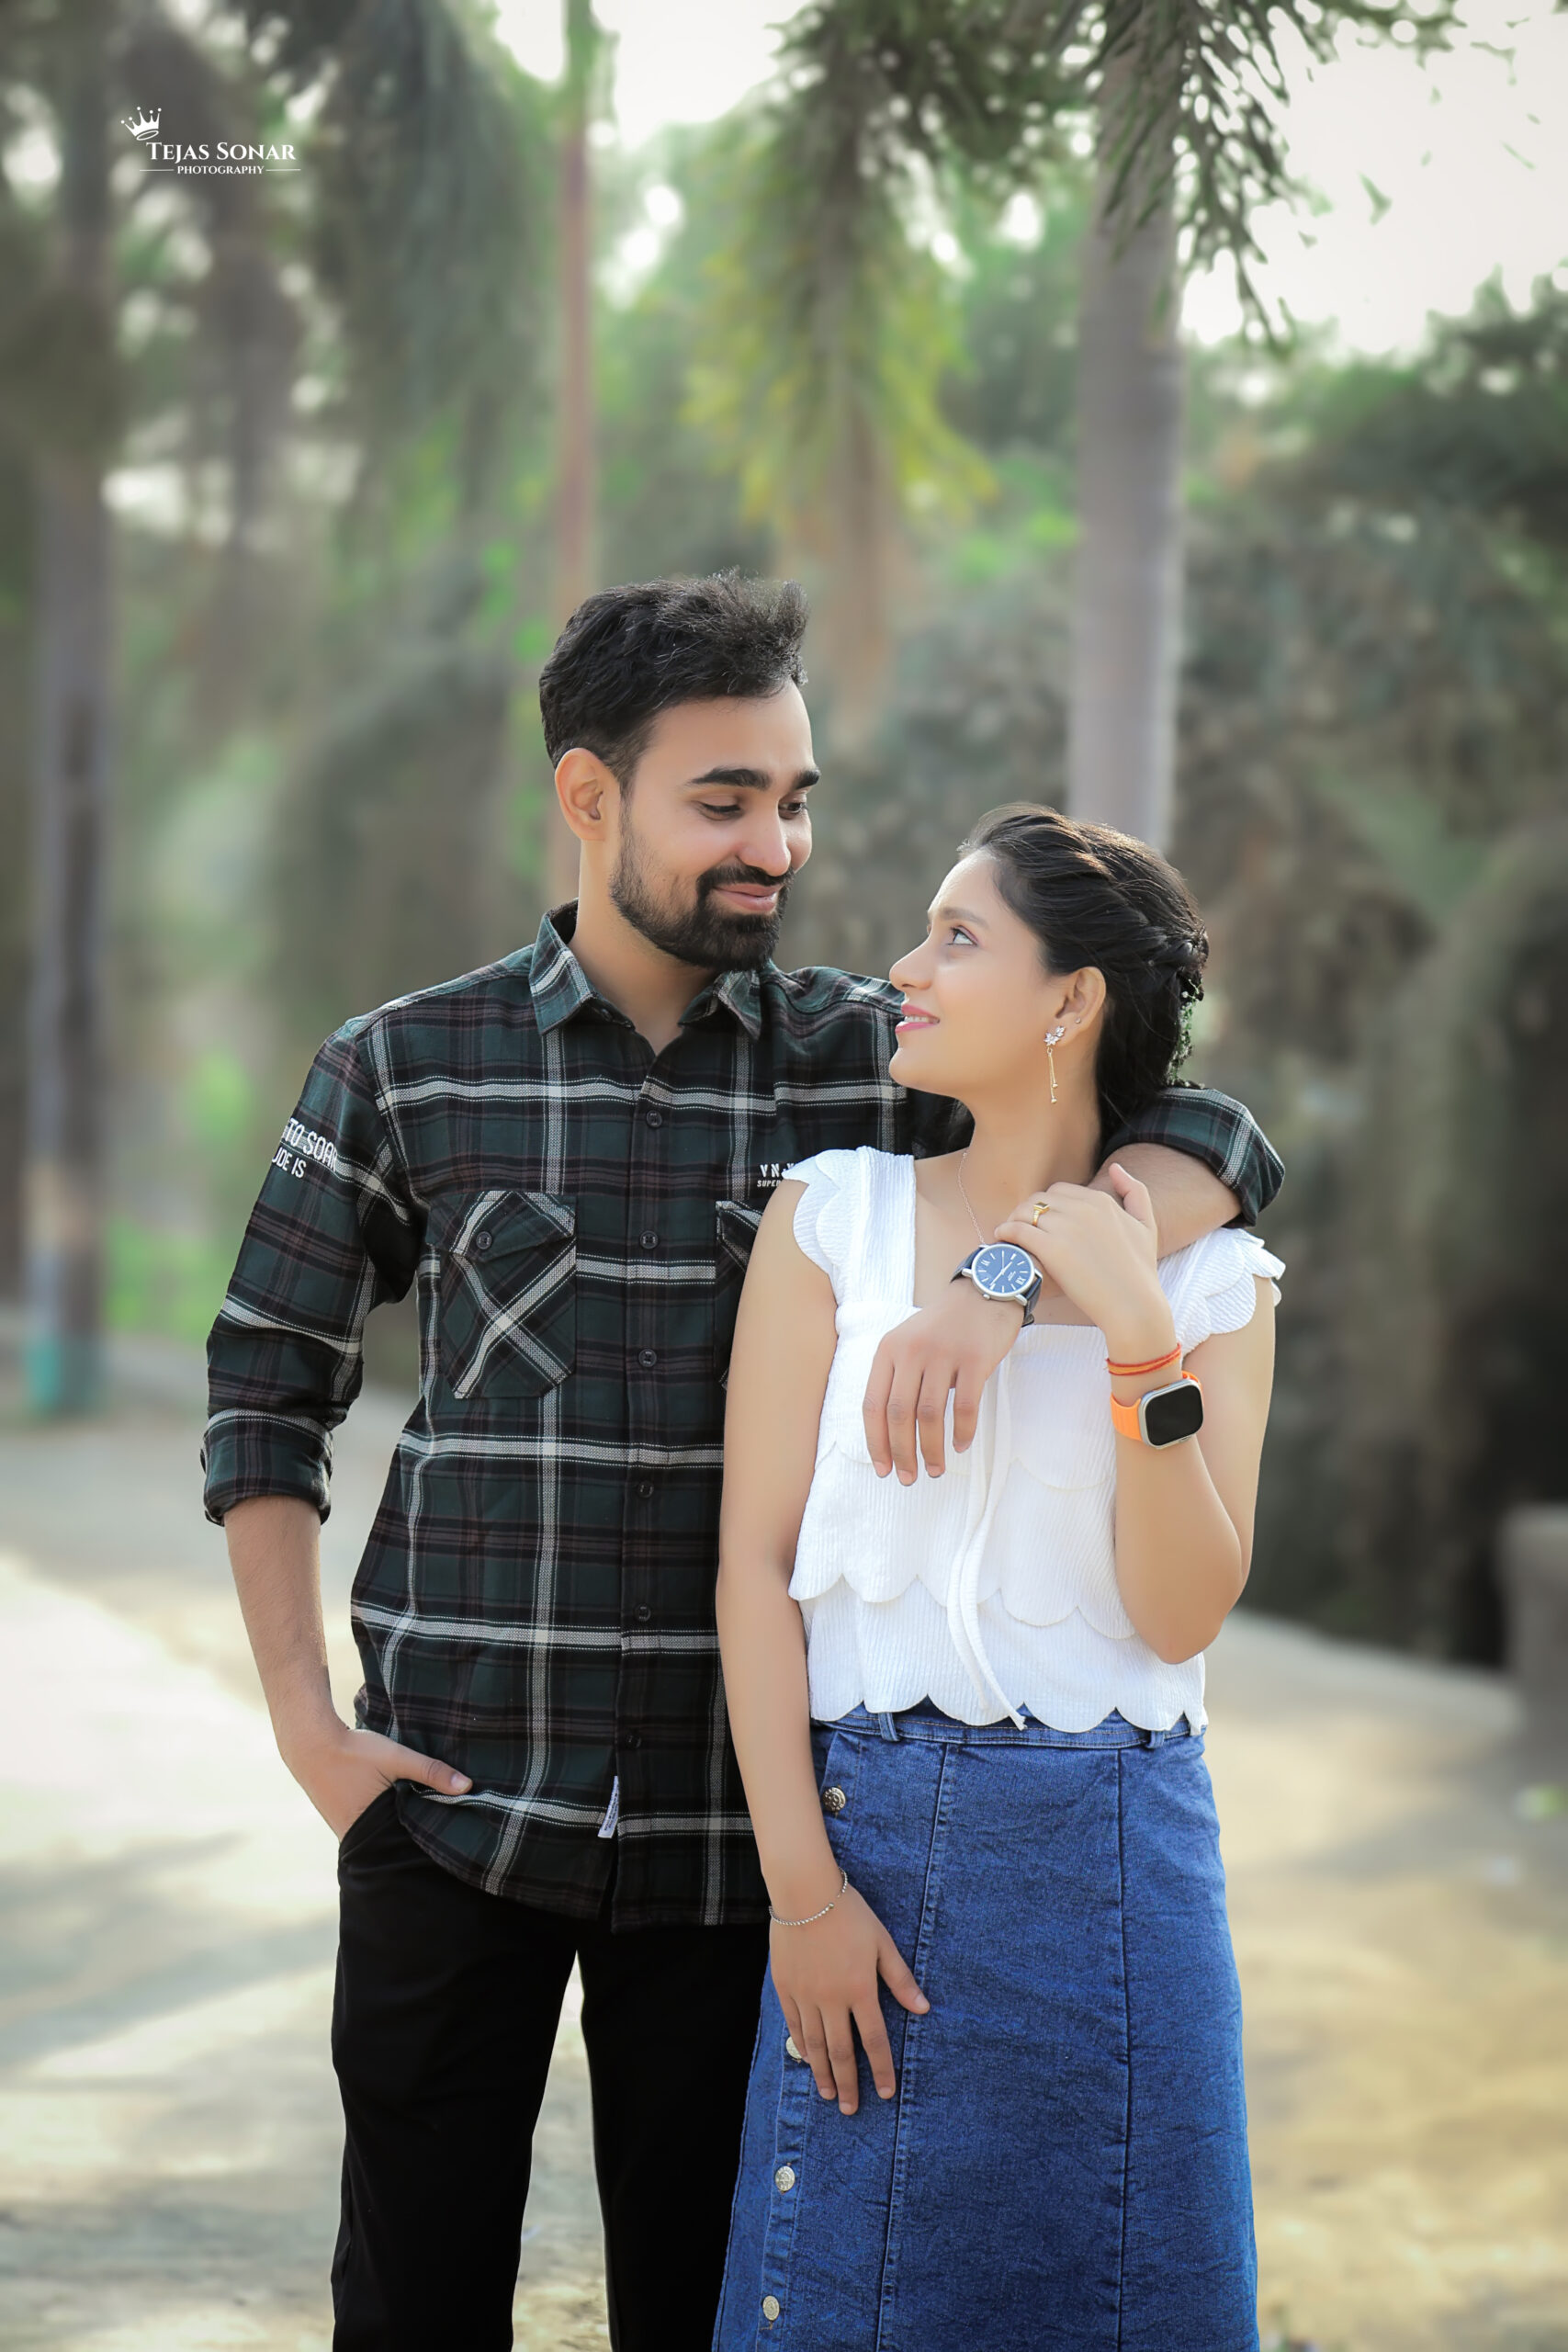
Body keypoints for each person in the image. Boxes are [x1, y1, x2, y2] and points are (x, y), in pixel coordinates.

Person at [201, 576, 1281, 2352]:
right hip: (457, 1801)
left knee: (703, 2312)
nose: (773, 846)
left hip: (735, 1846)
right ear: (590, 795)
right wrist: (308, 1725)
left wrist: (1007, 1283)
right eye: (725, 801)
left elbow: (1200, 1131)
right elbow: (265, 1385)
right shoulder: (407, 1067)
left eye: (793, 801)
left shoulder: (870, 1063)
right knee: (411, 2303)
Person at [714, 803, 1281, 2351]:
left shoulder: (1212, 1273)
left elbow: (1181, 1612)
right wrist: (803, 1897)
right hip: (867, 1870)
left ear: (1070, 1000)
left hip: (1120, 1877)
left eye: (957, 938)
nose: (904, 968)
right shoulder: (834, 1218)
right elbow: (755, 1571)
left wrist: (1139, 1339)